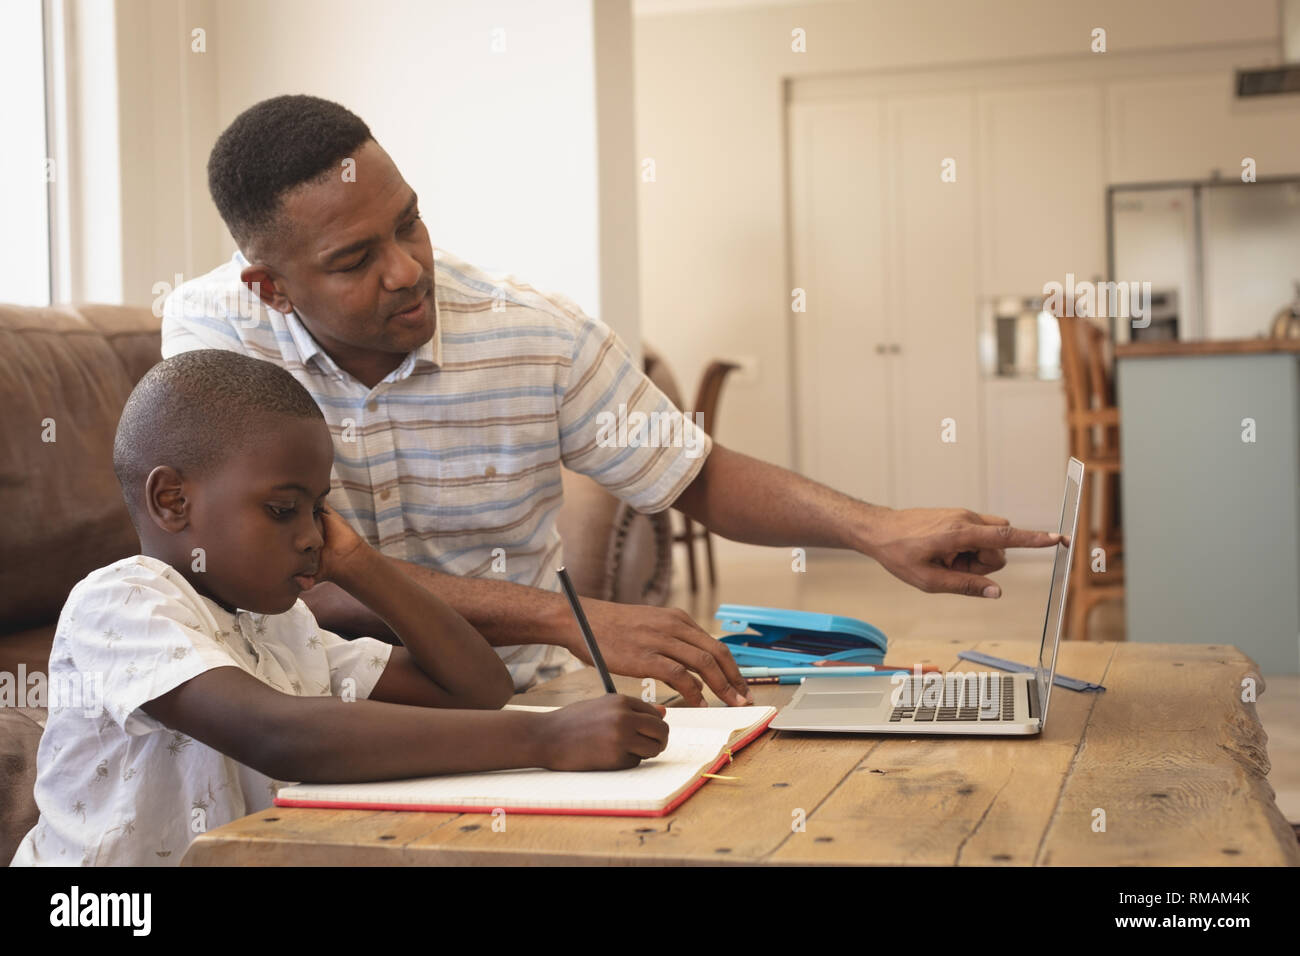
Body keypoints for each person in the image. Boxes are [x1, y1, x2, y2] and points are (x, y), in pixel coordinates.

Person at [162, 94, 1060, 708]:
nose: (407, 269)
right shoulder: (212, 336)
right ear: (271, 288)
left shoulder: (531, 332)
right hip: (309, 694)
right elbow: (288, 572)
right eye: (356, 260)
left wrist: (875, 528)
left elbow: (690, 471)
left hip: (507, 691)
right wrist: (568, 618)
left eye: (410, 223)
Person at [9, 350, 668, 867]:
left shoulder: (279, 622)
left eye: (318, 508)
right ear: (173, 501)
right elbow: (283, 735)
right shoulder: (121, 603)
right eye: (282, 508)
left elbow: (477, 689)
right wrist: (545, 738)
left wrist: (360, 565)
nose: (311, 534)